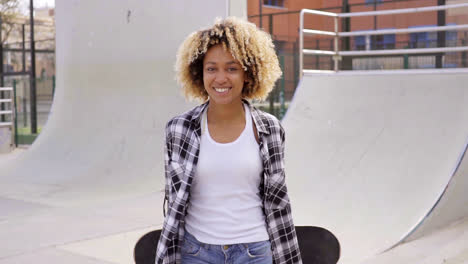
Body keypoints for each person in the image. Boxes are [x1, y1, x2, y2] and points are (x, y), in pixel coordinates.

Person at [155, 17, 302, 264]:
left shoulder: (270, 129)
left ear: (248, 73)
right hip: (196, 252)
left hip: (254, 252)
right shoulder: (178, 129)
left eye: (232, 68)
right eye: (211, 68)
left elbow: (278, 203)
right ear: (199, 73)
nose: (221, 78)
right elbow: (174, 203)